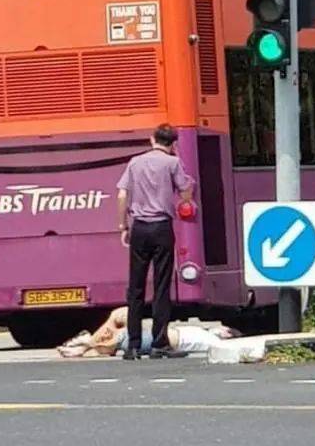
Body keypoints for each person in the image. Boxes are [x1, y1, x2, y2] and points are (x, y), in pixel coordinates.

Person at [117, 124, 194, 360]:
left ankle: (133, 345)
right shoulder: (172, 163)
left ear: (152, 139)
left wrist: (123, 226)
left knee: (136, 287)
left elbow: (122, 194)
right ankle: (159, 342)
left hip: (139, 227)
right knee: (161, 286)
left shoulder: (135, 162)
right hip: (161, 227)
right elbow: (186, 193)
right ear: (172, 143)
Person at [57, 307, 239, 359]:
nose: (223, 328)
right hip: (160, 335)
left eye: (226, 330)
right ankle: (85, 345)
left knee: (116, 332)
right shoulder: (206, 333)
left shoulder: (214, 341)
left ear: (227, 334)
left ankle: (85, 343)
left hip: (164, 338)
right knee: (118, 320)